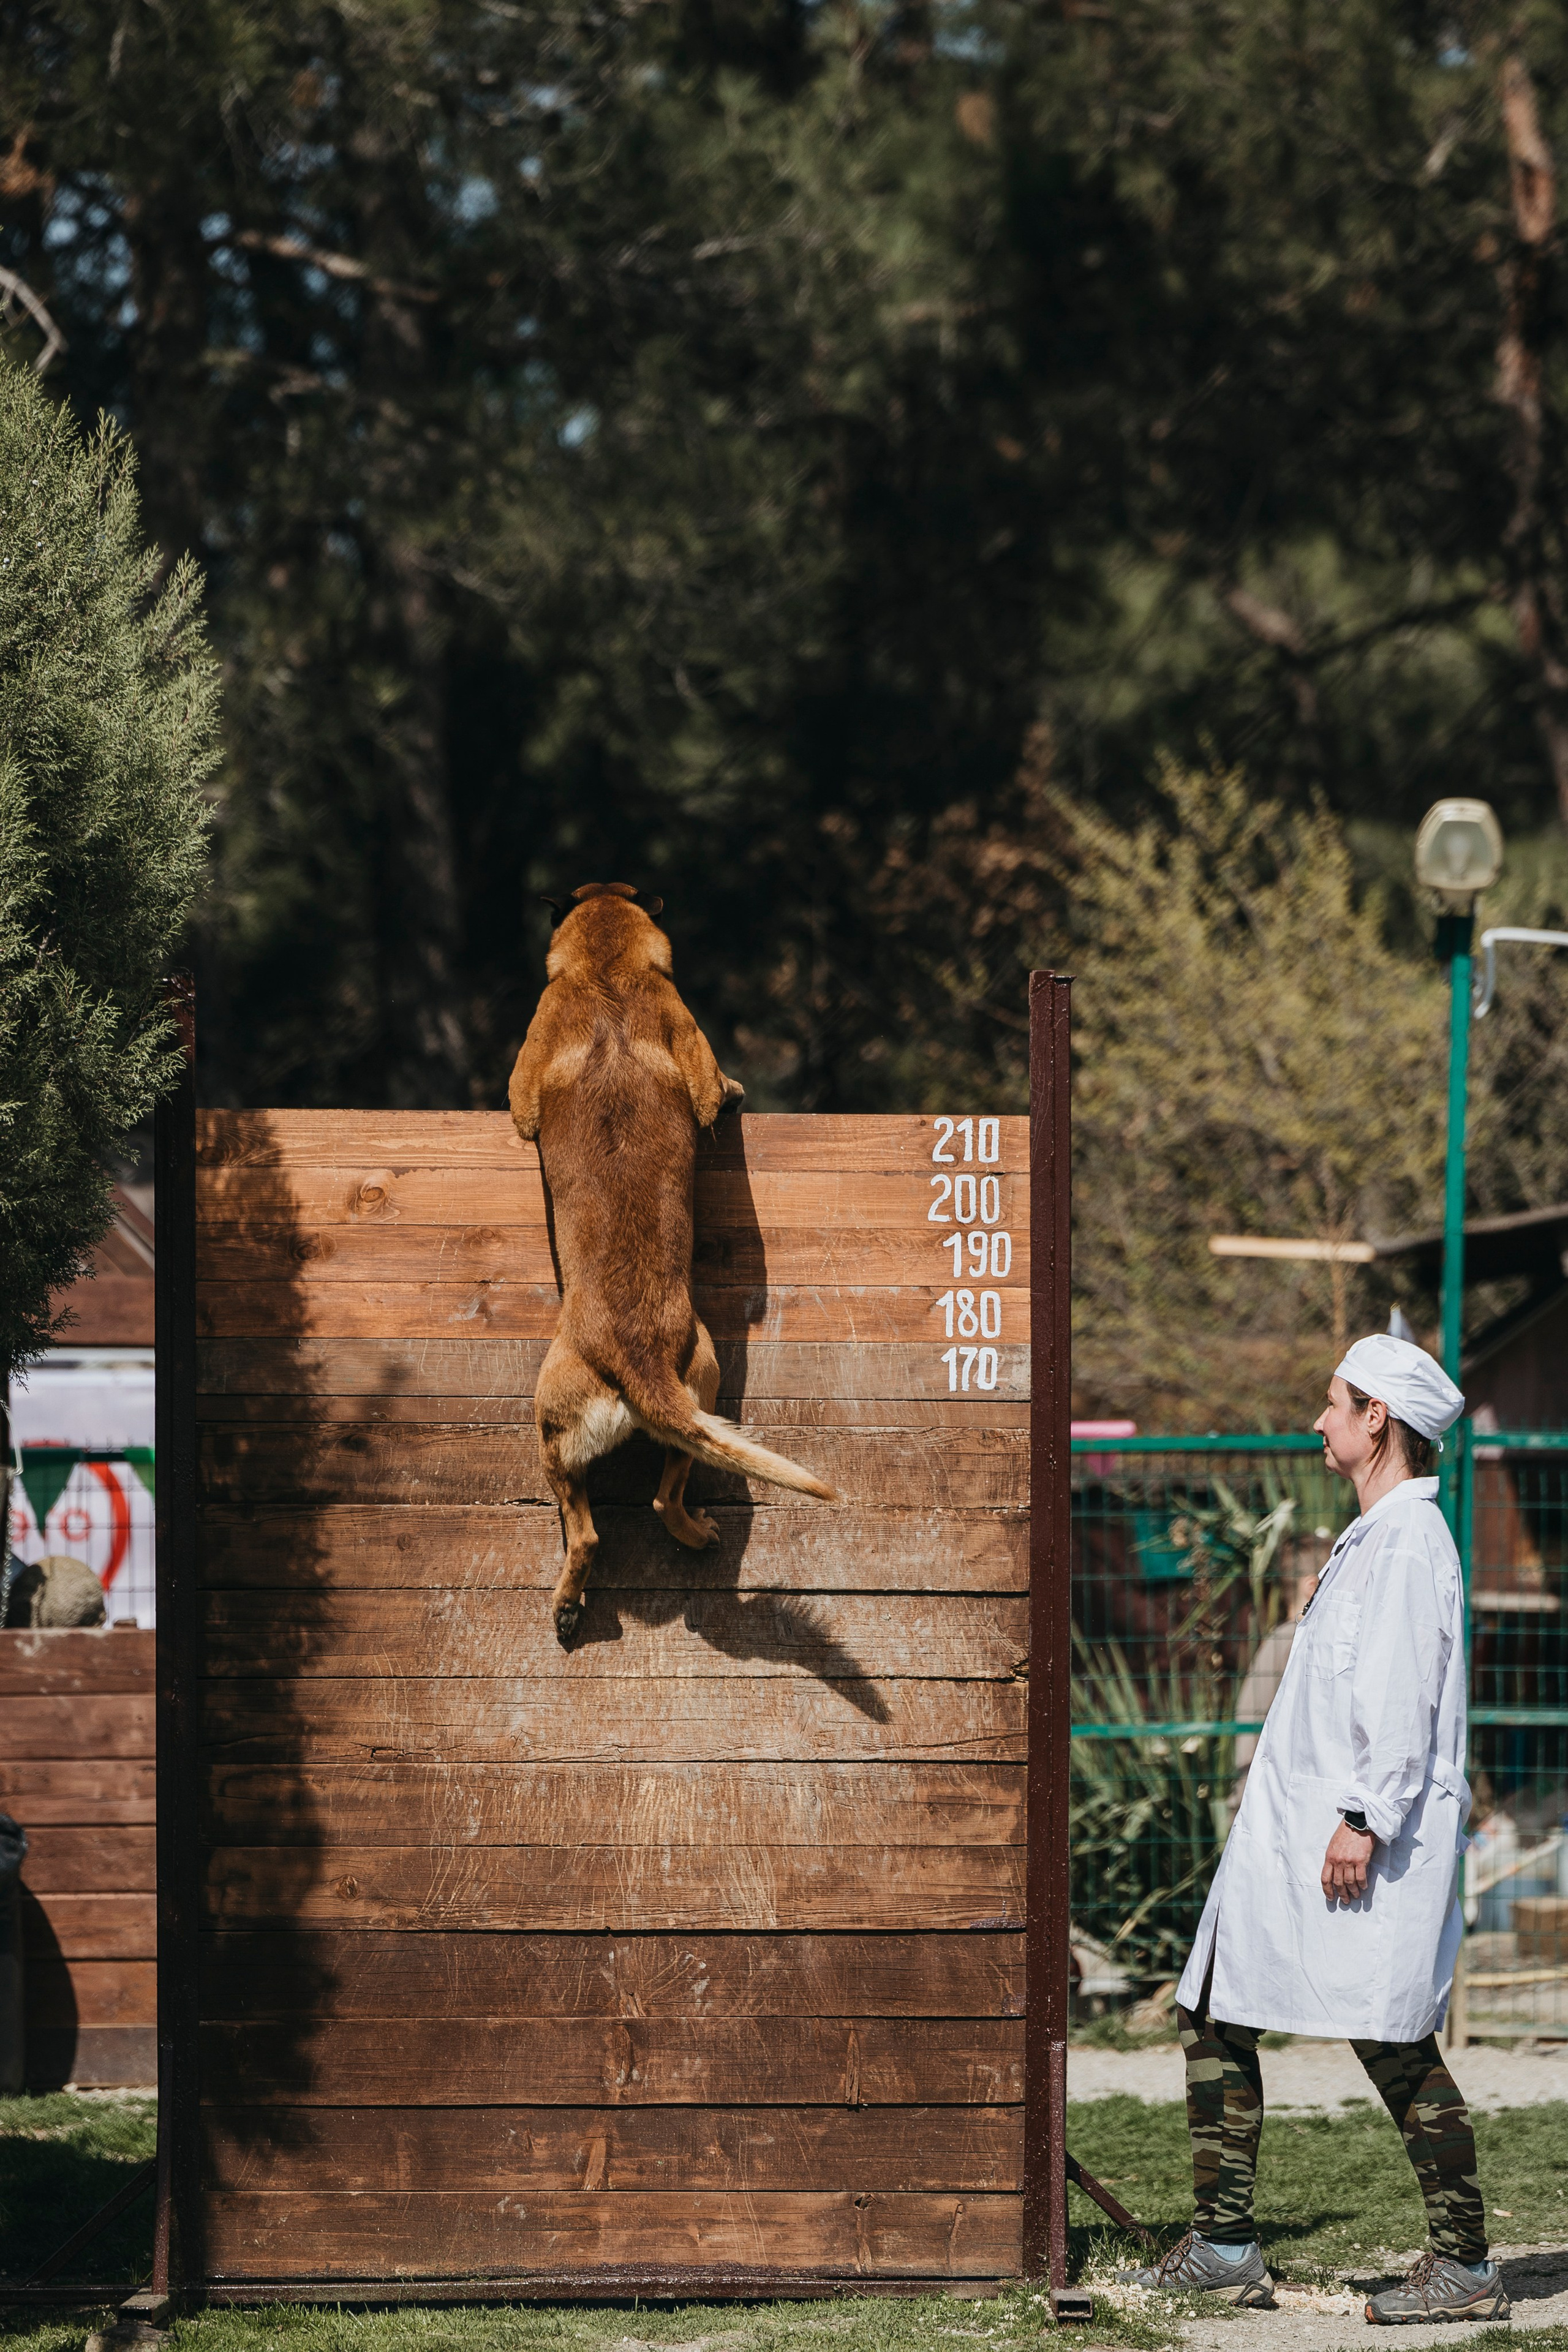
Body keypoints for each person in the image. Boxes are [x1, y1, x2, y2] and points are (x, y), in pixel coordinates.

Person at [1120, 1334, 1506, 2325]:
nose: (1319, 1421)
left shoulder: (1412, 1544)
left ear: (1379, 1417)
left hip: (1355, 1840)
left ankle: (1463, 2265)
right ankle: (1224, 2244)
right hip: (1302, 1837)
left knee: (1395, 2040)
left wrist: (1363, 1821)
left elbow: (1402, 1696)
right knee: (1216, 2008)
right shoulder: (1377, 1537)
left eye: (1335, 1403)